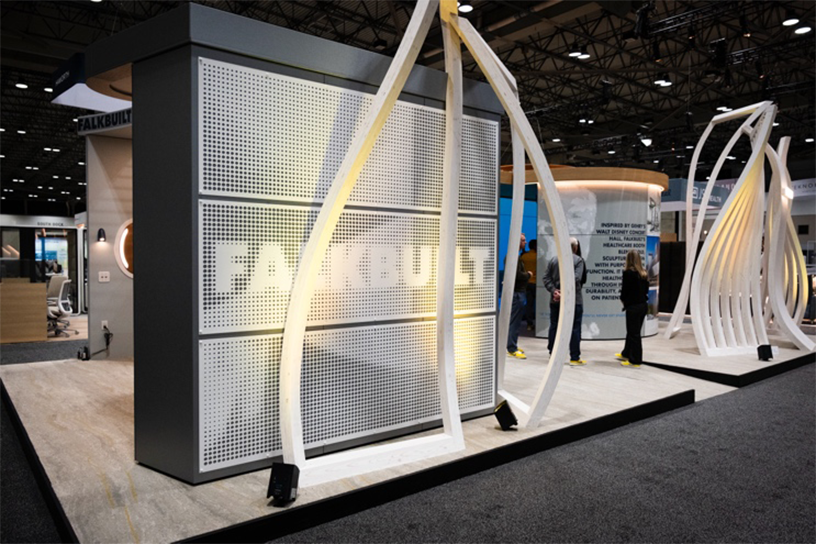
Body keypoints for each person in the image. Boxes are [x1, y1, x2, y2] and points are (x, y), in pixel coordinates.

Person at [542, 237, 586, 366]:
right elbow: (576, 278)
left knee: (555, 326)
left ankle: (553, 354)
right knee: (575, 328)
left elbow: (546, 278)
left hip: (555, 300)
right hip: (574, 300)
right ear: (575, 247)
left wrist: (555, 291)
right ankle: (574, 357)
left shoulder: (554, 260)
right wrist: (564, 294)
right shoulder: (578, 260)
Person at [617, 250, 649, 368]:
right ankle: (626, 353)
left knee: (634, 334)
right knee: (633, 332)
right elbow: (646, 290)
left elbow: (625, 291)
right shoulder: (643, 274)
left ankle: (635, 360)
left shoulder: (628, 273)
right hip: (643, 306)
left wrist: (623, 300)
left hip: (633, 307)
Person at [507, 233, 532, 359]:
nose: (525, 242)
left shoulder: (515, 256)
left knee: (515, 322)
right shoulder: (513, 257)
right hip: (517, 293)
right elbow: (517, 275)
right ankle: (512, 348)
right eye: (523, 240)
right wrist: (528, 275)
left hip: (518, 293)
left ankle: (512, 345)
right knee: (514, 322)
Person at [519, 239, 537, 330]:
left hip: (527, 282)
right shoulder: (538, 256)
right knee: (540, 304)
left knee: (529, 304)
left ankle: (529, 324)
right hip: (537, 283)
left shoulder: (523, 256)